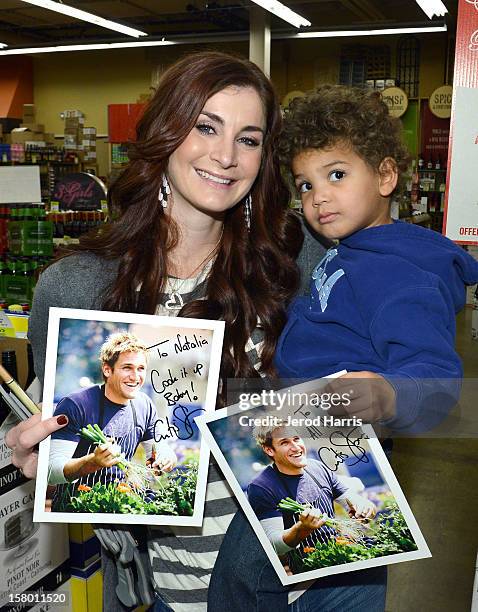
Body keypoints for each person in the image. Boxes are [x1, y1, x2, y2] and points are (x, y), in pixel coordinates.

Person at [7, 52, 373, 612]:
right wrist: (37, 459)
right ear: (165, 133)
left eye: (248, 139)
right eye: (206, 127)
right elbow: (39, 424)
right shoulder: (78, 285)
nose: (226, 156)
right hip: (169, 589)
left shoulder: (302, 262)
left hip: (315, 581)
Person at [274, 84, 478, 432]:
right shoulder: (352, 247)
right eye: (305, 185)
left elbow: (438, 374)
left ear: (385, 176)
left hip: (344, 435)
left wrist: (388, 395)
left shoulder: (398, 274)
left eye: (337, 175)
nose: (319, 197)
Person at [48, 331, 176, 511]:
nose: (135, 376)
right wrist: (92, 462)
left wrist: (165, 457)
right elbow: (51, 472)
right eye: (127, 368)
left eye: (141, 369)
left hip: (120, 503)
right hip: (75, 507)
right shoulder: (76, 404)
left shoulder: (144, 405)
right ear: (107, 369)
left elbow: (157, 448)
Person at [248, 423, 375, 566]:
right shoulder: (261, 487)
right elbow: (274, 544)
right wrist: (302, 529)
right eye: (284, 442)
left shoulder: (317, 467)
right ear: (269, 450)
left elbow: (350, 499)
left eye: (296, 439)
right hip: (309, 565)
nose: (296, 447)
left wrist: (363, 506)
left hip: (341, 550)